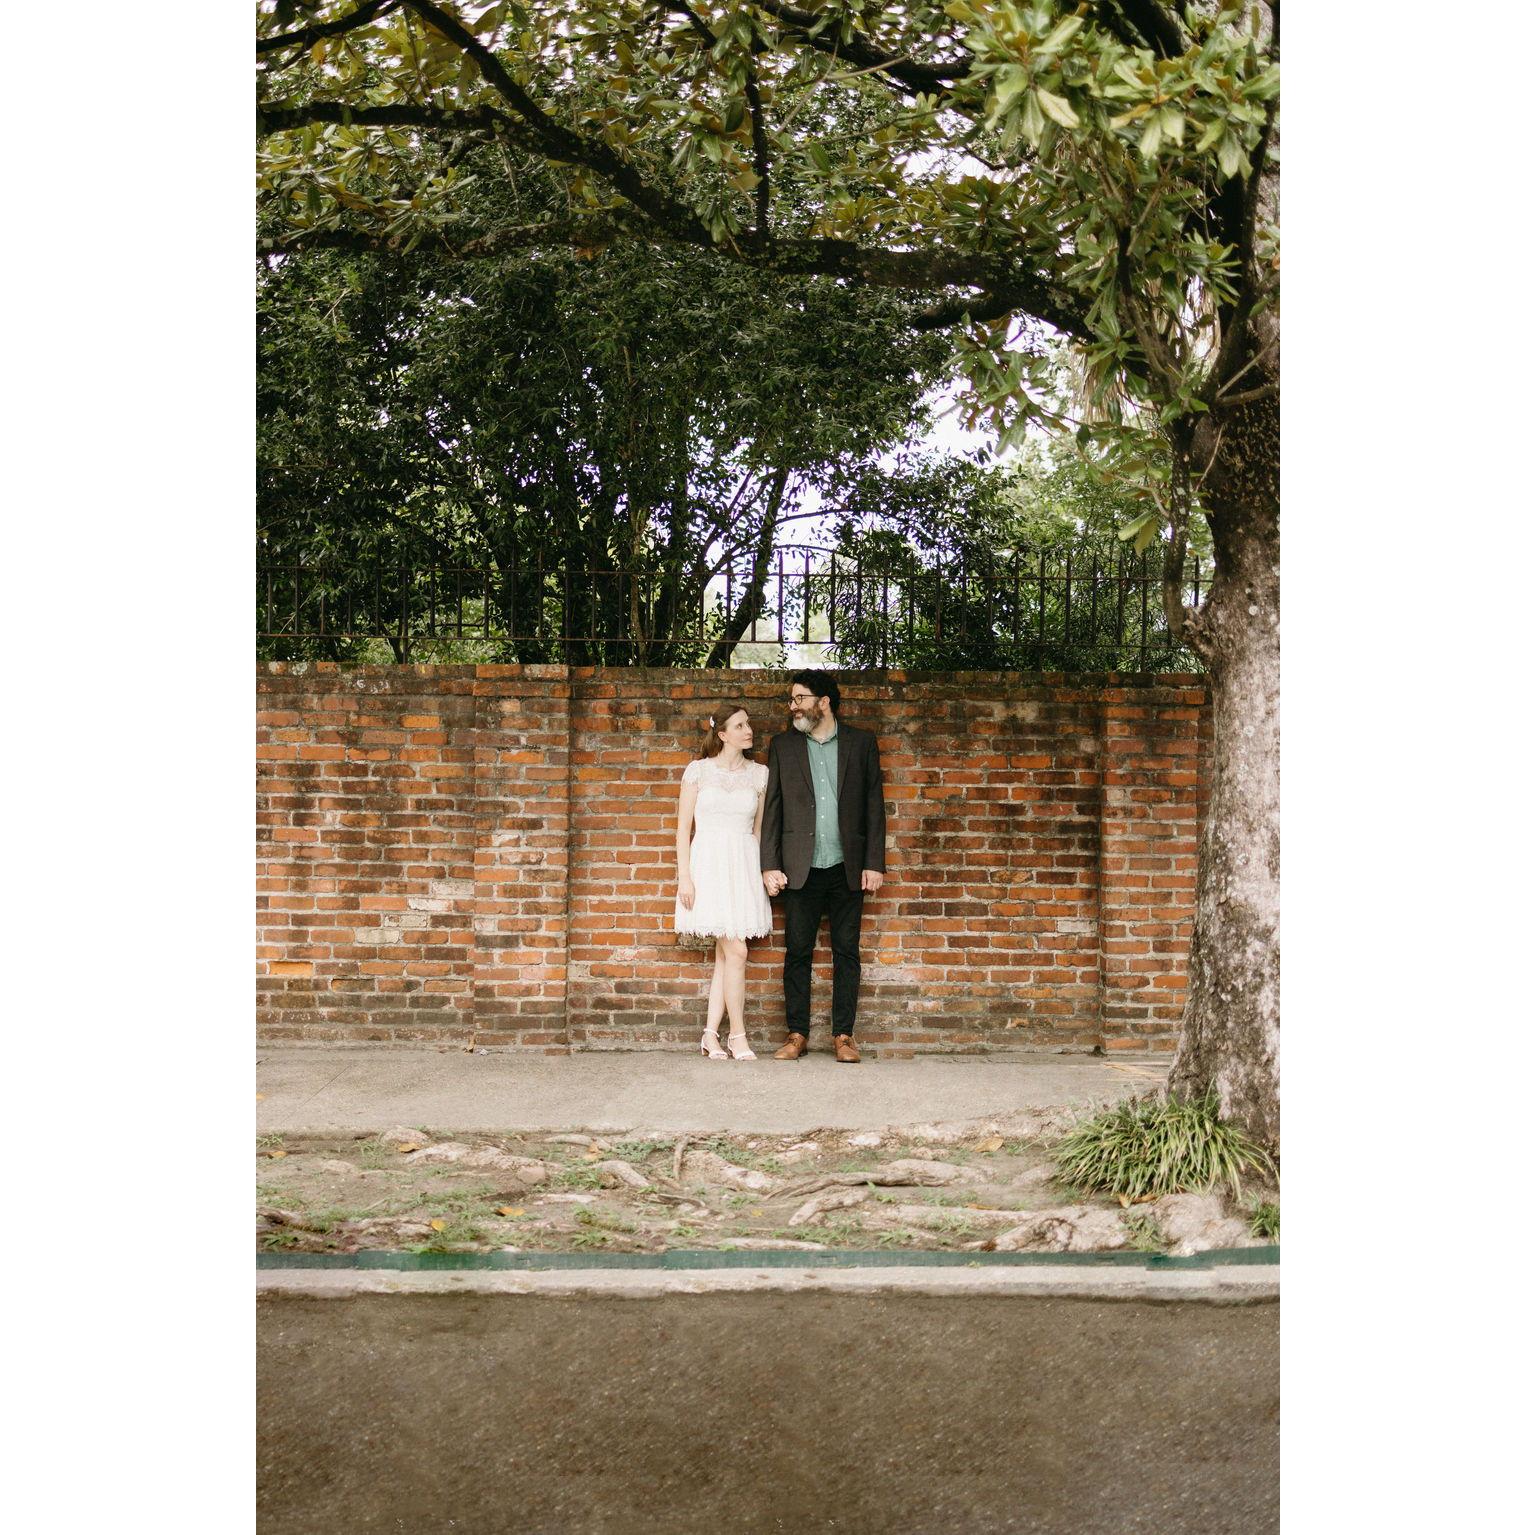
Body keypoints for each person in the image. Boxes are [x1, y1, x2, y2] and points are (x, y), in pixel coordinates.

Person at [760, 671, 886, 1063]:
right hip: (800, 867)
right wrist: (769, 864)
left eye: (799, 698)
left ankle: (844, 1036)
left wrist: (874, 863)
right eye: (791, 699)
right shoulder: (783, 746)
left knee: (846, 952)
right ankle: (796, 1034)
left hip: (847, 866)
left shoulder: (861, 743)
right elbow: (773, 810)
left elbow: (873, 806)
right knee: (797, 951)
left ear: (824, 701)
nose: (792, 705)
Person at [674, 705, 773, 1060]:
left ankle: (710, 1035)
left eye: (749, 724)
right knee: (737, 952)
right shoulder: (698, 772)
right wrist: (685, 877)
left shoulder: (760, 775)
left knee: (725, 957)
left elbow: (759, 832)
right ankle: (739, 1036)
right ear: (723, 734)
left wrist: (763, 873)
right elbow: (684, 829)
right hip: (709, 867)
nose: (749, 730)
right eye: (741, 725)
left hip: (742, 865)